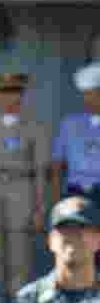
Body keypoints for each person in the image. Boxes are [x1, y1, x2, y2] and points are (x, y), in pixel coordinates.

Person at [0, 72, 51, 294]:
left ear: (22, 95)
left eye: (14, 91)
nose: (8, 97)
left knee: (19, 256)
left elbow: (41, 170)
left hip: (22, 191)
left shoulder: (35, 127)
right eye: (3, 92)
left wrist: (41, 207)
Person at [17, 195, 100, 303]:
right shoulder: (27, 301)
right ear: (50, 241)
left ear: (97, 239)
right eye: (65, 229)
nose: (73, 236)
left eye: (82, 228)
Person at [51, 62, 100, 202]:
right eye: (85, 95)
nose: (88, 100)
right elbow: (57, 163)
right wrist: (56, 199)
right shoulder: (69, 123)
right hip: (75, 192)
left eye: (93, 94)